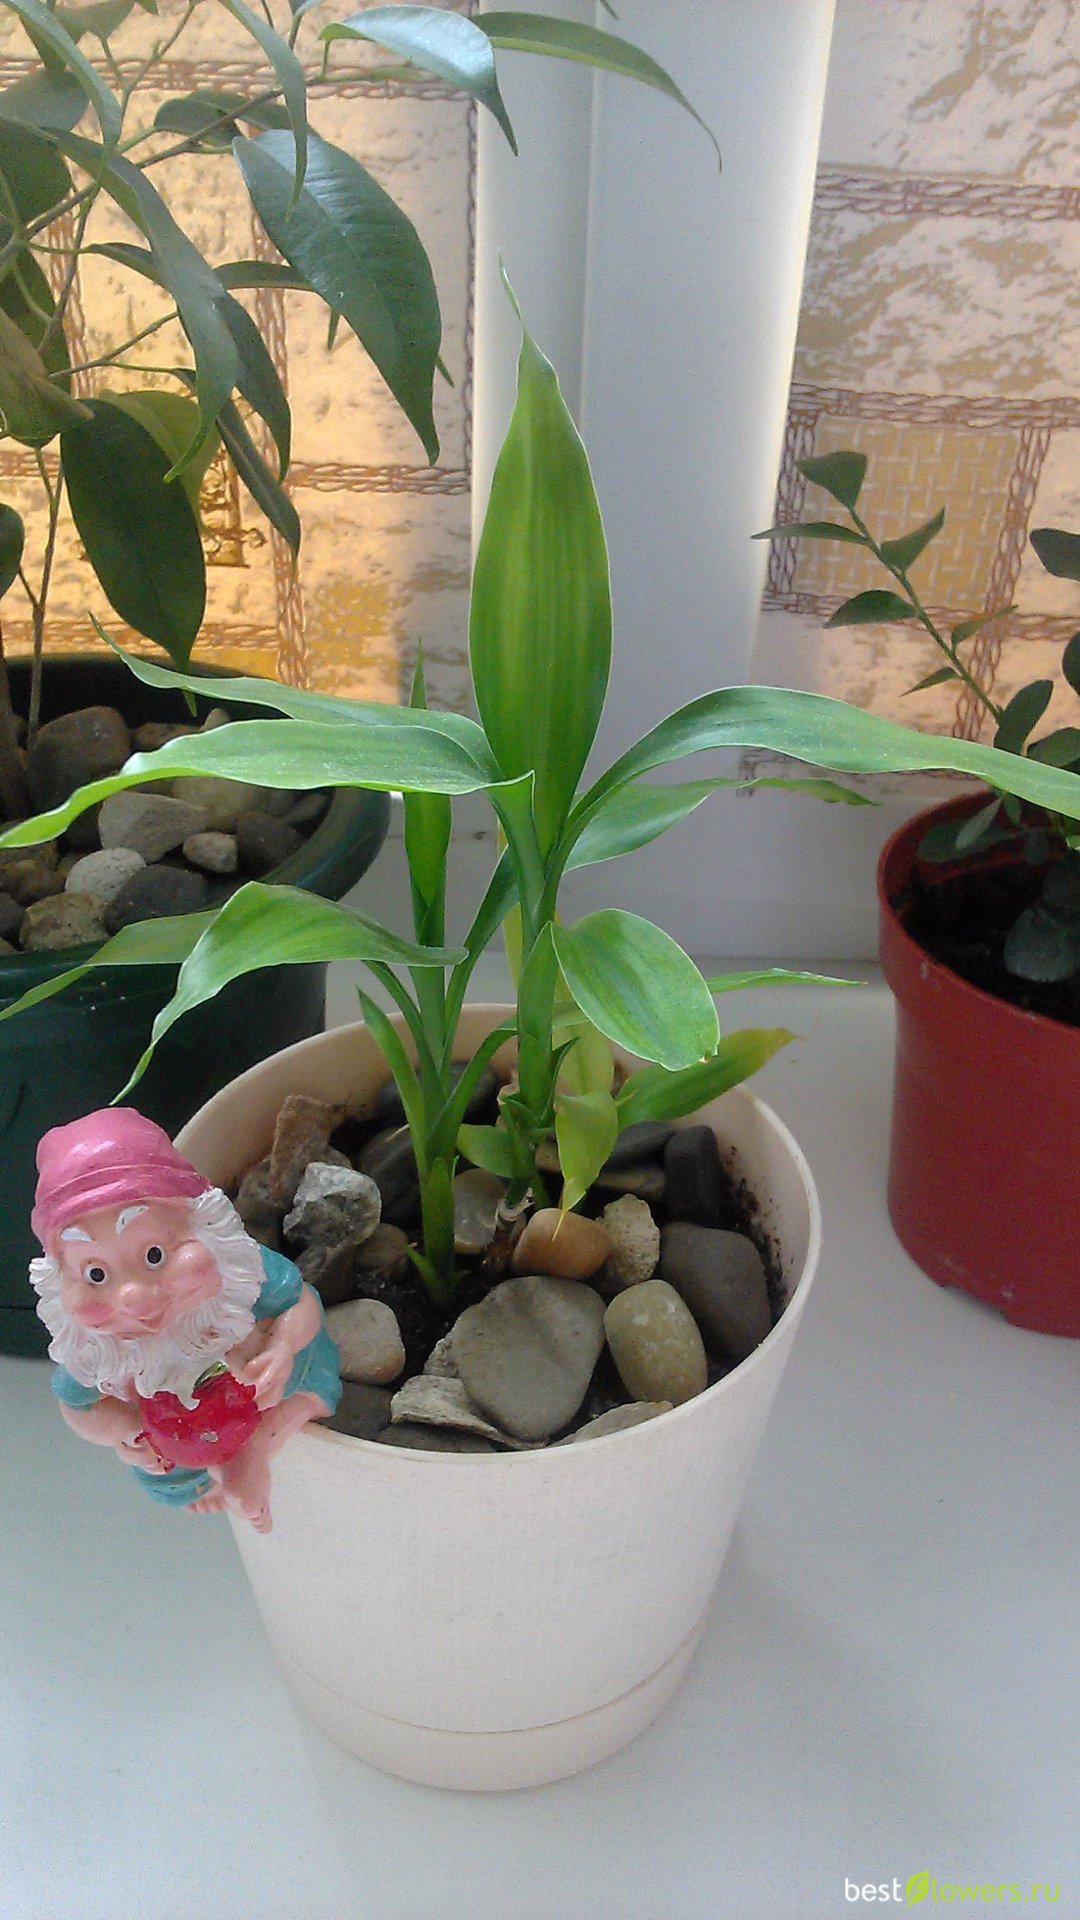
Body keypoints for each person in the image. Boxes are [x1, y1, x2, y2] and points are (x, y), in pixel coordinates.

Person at [29, 1109, 341, 1532]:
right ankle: (202, 1478)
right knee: (166, 1470)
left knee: (301, 1370)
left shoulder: (242, 1272)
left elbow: (300, 1301)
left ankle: (257, 1446)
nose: (134, 1297)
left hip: (254, 1387)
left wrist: (283, 1346)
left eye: (154, 1255)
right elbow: (77, 1406)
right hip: (170, 1435)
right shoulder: (95, 1351)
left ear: (200, 1224)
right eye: (96, 1275)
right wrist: (124, 1430)